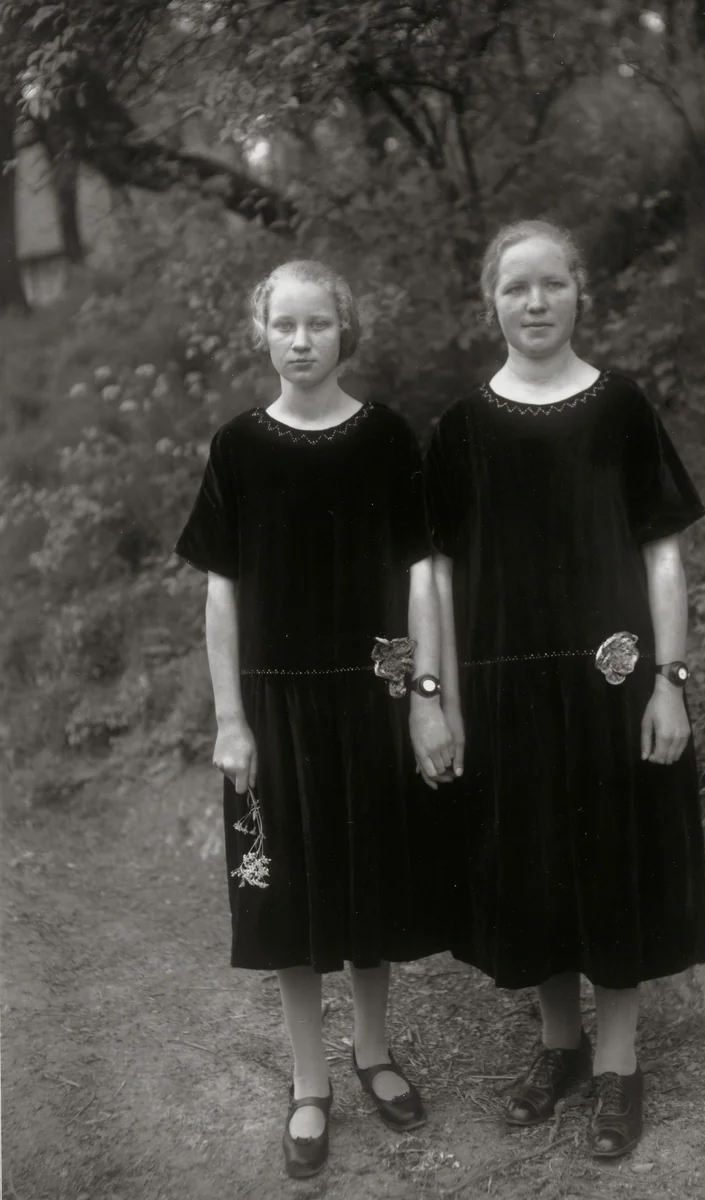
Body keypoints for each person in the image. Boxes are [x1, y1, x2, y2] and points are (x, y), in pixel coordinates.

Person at [424, 220, 705, 1158]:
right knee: (534, 867)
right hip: (506, 692)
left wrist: (670, 683)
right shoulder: (462, 429)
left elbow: (662, 551)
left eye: (553, 283)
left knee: (613, 866)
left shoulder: (621, 406)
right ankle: (561, 1048)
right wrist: (435, 697)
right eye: (518, 288)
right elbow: (430, 571)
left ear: (580, 292)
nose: (537, 302)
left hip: (613, 688)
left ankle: (621, 1067)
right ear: (491, 303)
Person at [175, 260, 455, 1179]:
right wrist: (230, 719)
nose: (301, 341)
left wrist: (424, 701)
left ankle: (372, 1053)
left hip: (371, 696)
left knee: (369, 885)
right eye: (285, 325)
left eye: (319, 325)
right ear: (263, 332)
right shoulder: (237, 448)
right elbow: (223, 592)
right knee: (290, 899)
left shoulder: (384, 439)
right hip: (275, 705)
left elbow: (420, 574)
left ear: (346, 331)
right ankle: (308, 1082)